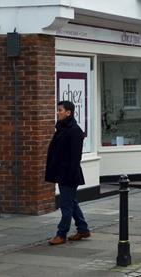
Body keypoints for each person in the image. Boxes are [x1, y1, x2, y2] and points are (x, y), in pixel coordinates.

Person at [46, 100, 90, 245]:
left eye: (60, 110)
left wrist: (69, 174)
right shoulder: (61, 128)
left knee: (66, 205)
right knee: (71, 202)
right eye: (58, 110)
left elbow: (75, 157)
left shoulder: (74, 131)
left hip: (69, 174)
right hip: (61, 172)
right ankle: (83, 229)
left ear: (68, 113)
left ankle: (61, 234)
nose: (57, 112)